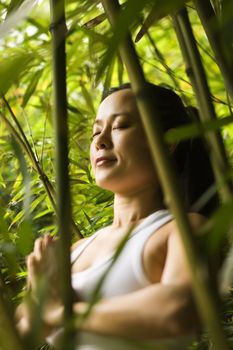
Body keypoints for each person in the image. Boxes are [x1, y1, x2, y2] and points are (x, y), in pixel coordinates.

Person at [16, 83, 218, 349]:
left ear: (168, 143)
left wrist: (61, 312)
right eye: (96, 131)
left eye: (120, 126)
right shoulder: (71, 252)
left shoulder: (182, 229)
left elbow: (177, 310)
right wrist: (39, 298)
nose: (100, 140)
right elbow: (19, 335)